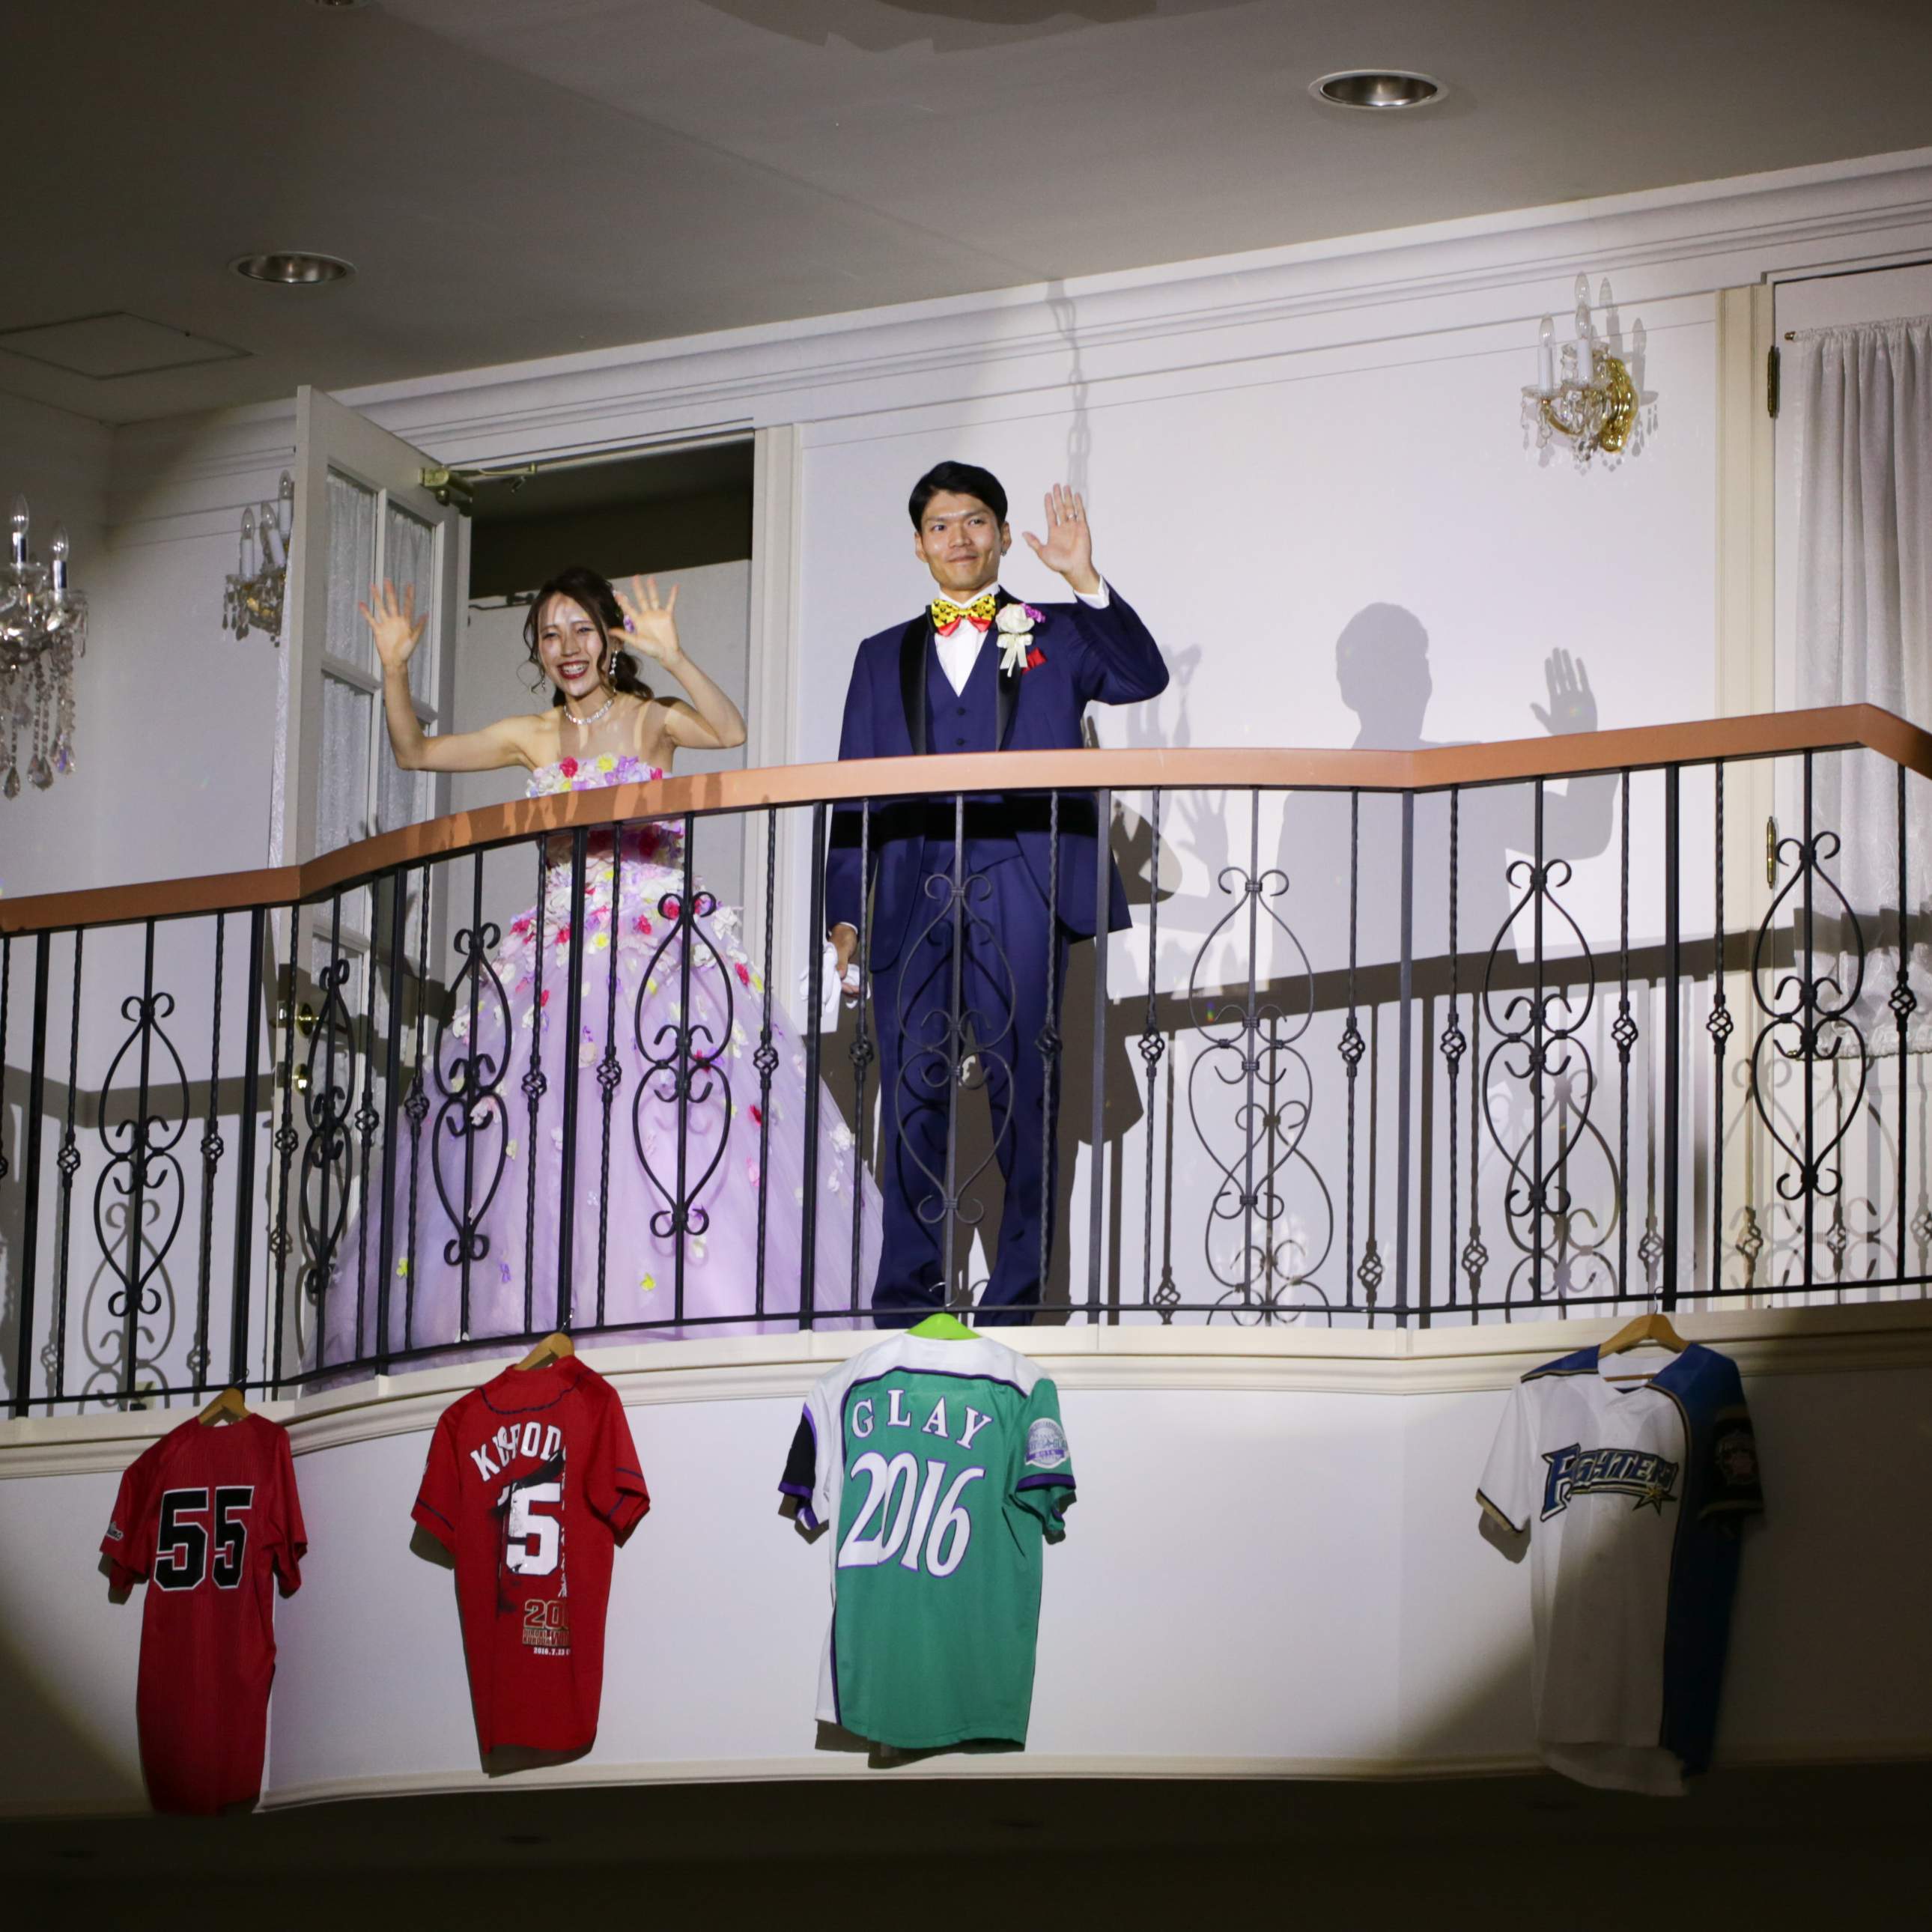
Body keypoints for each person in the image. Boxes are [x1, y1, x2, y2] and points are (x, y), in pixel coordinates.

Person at [313, 565, 879, 1373]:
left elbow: (729, 731)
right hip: (554, 957)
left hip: (659, 952)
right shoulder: (533, 735)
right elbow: (414, 752)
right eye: (550, 634)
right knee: (535, 1145)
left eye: (582, 629)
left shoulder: (652, 720)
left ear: (610, 639)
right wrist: (396, 667)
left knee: (668, 1130)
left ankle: (673, 1322)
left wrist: (674, 656)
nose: (567, 647)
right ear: (538, 651)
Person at [827, 461, 1168, 1326]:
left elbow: (1143, 676)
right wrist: (846, 911)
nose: (960, 538)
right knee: (910, 1098)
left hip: (1024, 879)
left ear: (1005, 535)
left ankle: (1021, 1304)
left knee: (1026, 1095)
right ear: (919, 545)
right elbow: (853, 791)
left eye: (976, 521)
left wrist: (1084, 579)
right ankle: (908, 1304)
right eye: (941, 525)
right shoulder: (879, 655)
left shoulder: (1056, 630)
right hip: (912, 889)